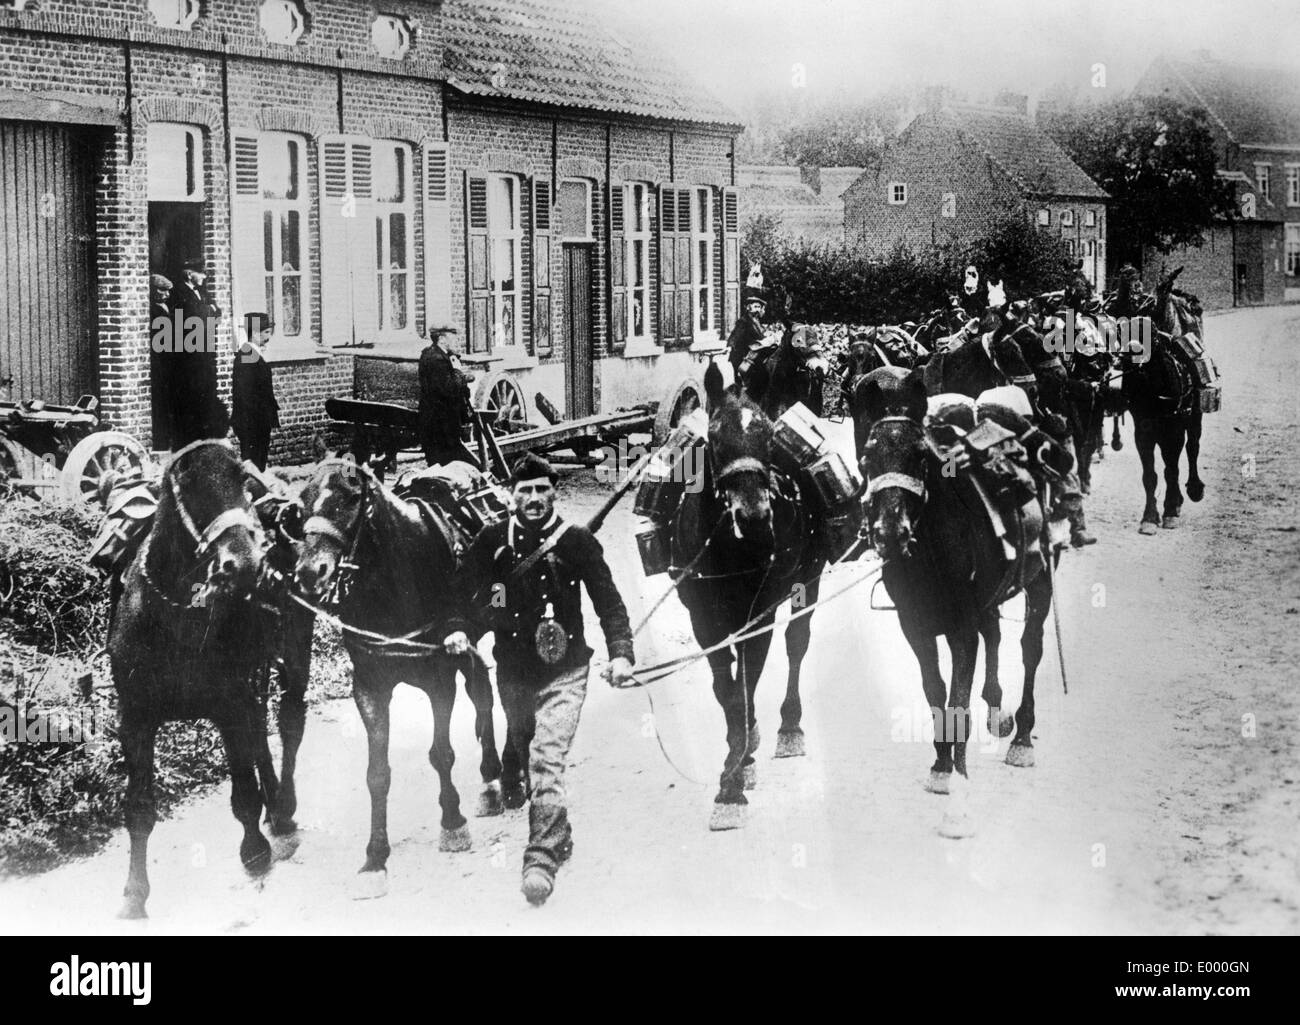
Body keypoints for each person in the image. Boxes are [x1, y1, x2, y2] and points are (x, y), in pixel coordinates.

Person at [443, 452, 635, 907]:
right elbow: (465, 599)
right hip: (513, 674)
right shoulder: (492, 543)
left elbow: (610, 603)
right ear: (511, 497)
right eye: (523, 491)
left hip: (567, 672)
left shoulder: (576, 542)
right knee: (524, 746)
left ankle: (540, 859)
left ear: (554, 492)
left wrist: (622, 655)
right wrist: (460, 629)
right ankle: (559, 833)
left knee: (547, 759)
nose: (532, 499)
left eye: (540, 490)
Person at [168, 256, 229, 447]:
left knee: (205, 395)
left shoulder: (201, 292)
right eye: (200, 273)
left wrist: (206, 313)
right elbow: (190, 318)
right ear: (189, 274)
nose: (204, 277)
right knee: (190, 399)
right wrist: (206, 313)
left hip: (204, 355)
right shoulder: (178, 293)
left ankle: (203, 437)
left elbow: (217, 312)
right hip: (189, 357)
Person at [418, 324, 476, 467]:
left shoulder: (430, 353)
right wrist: (457, 371)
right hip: (442, 423)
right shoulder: (437, 359)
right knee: (447, 463)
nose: (457, 340)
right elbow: (449, 389)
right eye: (453, 337)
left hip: (435, 421)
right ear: (442, 339)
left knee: (438, 463)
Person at [231, 312, 280, 471]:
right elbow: (245, 394)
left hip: (256, 420)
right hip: (252, 422)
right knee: (254, 465)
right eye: (266, 333)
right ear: (255, 333)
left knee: (257, 463)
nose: (269, 337)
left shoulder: (252, 353)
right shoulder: (247, 355)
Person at [148, 274, 174, 445]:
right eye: (162, 290)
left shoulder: (164, 307)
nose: (166, 295)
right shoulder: (153, 310)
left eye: (167, 291)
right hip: (159, 362)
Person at [727, 289, 768, 376]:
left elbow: (760, 335)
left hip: (754, 352)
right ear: (749, 307)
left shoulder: (756, 320)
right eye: (755, 307)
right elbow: (735, 335)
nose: (758, 310)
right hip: (743, 355)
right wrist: (730, 346)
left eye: (759, 307)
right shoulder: (744, 321)